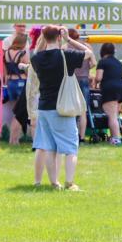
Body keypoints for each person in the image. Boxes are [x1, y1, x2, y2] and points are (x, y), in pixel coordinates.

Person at [30, 25, 94, 190]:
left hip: (44, 106)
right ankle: (69, 182)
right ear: (59, 37)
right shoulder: (66, 55)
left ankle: (54, 182)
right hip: (63, 107)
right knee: (71, 147)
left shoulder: (36, 58)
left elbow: (38, 53)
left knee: (50, 147)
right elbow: (89, 53)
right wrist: (70, 39)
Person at [95, 42, 122, 145]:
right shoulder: (119, 63)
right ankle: (116, 135)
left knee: (112, 116)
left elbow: (98, 78)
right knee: (115, 115)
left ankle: (116, 138)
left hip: (109, 89)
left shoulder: (102, 62)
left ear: (102, 51)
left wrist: (94, 82)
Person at [2, 28, 30, 145]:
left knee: (14, 112)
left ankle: (12, 138)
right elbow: (28, 70)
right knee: (20, 113)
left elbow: (4, 70)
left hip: (10, 83)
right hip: (21, 82)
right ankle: (14, 140)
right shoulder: (23, 53)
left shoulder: (7, 53)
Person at [67, 28, 95, 141]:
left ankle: (71, 136)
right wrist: (86, 69)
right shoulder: (87, 47)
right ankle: (82, 137)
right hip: (84, 79)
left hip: (71, 79)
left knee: (71, 109)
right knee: (83, 110)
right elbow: (93, 63)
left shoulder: (66, 48)